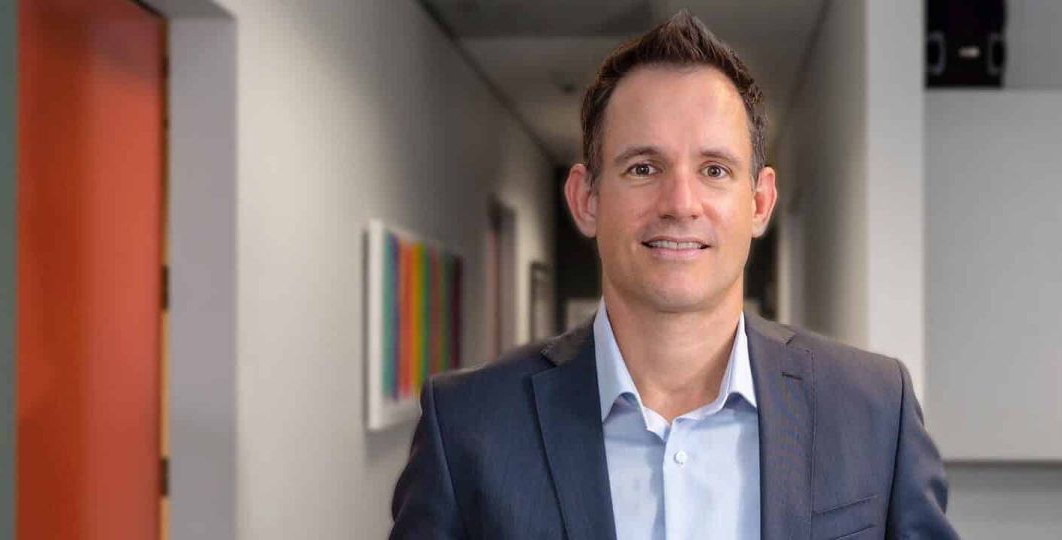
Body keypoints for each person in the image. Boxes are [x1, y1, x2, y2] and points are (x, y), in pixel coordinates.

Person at [391, 11, 958, 540]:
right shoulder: (468, 427)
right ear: (586, 199)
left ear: (759, 203)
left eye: (714, 169)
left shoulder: (875, 410)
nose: (680, 202)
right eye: (643, 168)